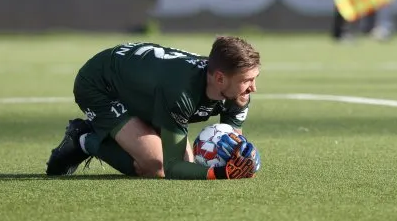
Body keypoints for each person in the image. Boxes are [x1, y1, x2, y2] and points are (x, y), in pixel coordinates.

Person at [45, 36, 261, 180]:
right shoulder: (181, 92)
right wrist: (222, 173)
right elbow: (172, 167)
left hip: (146, 90)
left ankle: (124, 131)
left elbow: (232, 141)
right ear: (220, 78)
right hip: (101, 84)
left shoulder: (238, 92)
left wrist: (240, 158)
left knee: (190, 165)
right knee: (155, 167)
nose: (253, 88)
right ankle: (84, 138)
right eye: (247, 80)